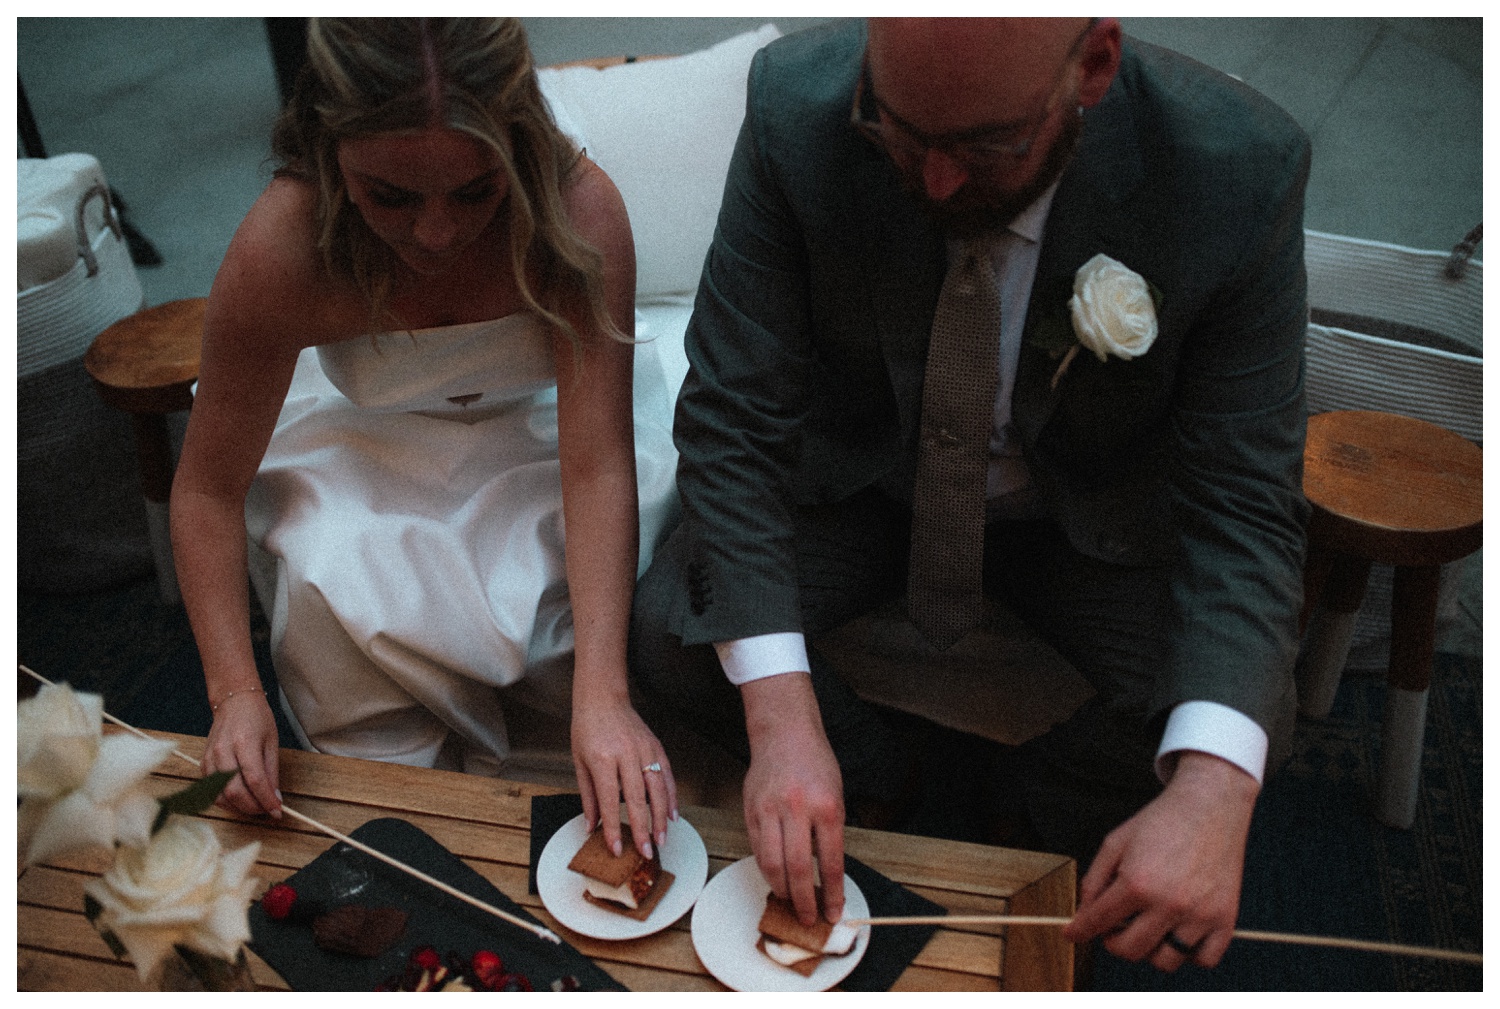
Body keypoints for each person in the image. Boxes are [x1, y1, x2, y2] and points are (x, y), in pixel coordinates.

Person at [629, 17, 1310, 971]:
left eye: (988, 144)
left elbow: (1245, 500)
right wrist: (783, 723)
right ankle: (881, 775)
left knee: (1240, 716)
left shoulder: (1238, 168)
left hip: (1083, 518)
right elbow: (731, 419)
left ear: (1095, 67)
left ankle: (1022, 809)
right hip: (867, 484)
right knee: (669, 627)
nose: (938, 182)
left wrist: (1212, 795)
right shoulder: (797, 104)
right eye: (899, 131)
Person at [172, 17, 678, 861]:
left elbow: (594, 466)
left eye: (476, 192)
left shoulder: (580, 212)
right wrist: (232, 694)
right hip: (363, 448)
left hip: (545, 439)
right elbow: (205, 488)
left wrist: (604, 695)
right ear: (331, 151)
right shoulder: (282, 244)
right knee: (345, 589)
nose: (437, 235)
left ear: (517, 141)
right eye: (391, 197)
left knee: (578, 642)